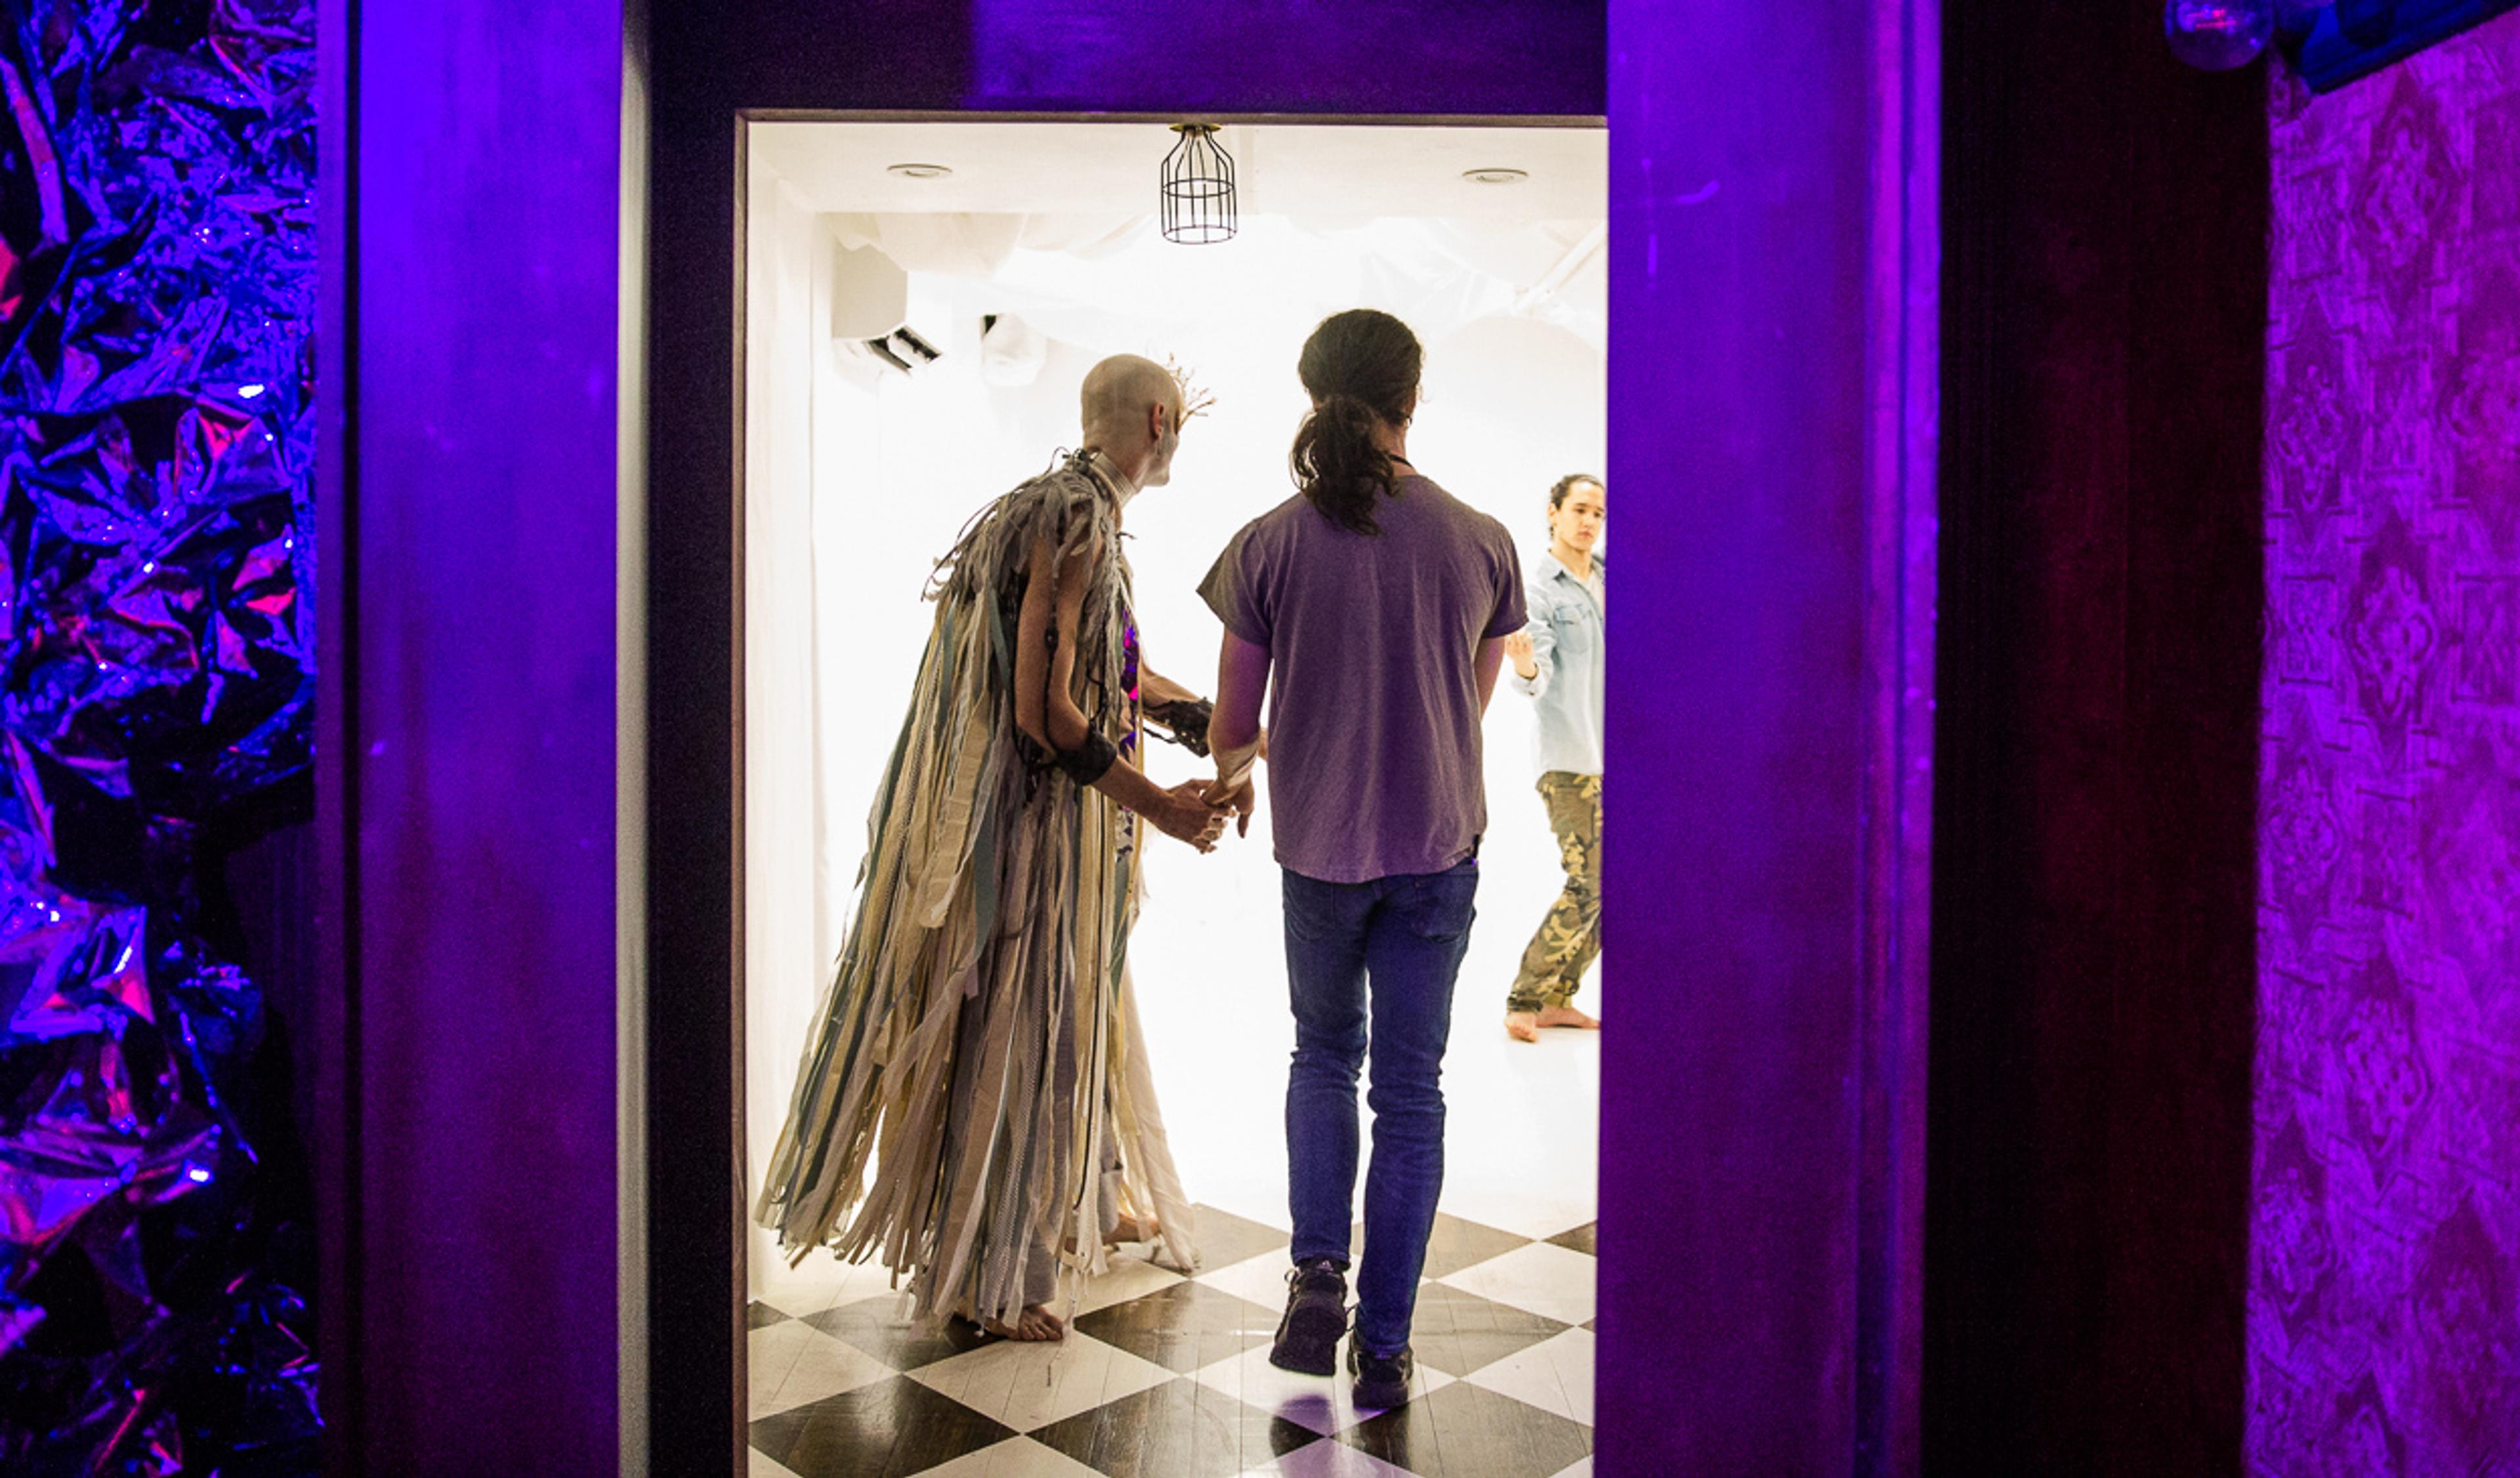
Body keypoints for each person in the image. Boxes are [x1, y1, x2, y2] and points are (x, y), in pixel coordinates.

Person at [755, 355, 1227, 1343]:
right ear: (1159, 419)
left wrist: (1214, 726)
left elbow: (1116, 670)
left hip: (1035, 837)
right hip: (1020, 838)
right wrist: (1165, 809)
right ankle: (990, 1273)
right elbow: (1045, 716)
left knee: (1075, 1008)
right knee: (1021, 1026)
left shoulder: (1055, 511)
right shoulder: (1076, 518)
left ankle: (1086, 1197)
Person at [1198, 309, 1525, 1410]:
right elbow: (1468, 707)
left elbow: (1232, 727)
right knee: (1413, 1092)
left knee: (1324, 1057)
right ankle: (1384, 1343)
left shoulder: (1267, 542)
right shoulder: (1482, 539)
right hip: (1437, 845)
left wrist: (1264, 754)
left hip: (1320, 850)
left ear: (1312, 392)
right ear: (1411, 398)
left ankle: (1317, 1275)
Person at [1500, 474, 1606, 1042]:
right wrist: (1525, 668)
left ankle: (1559, 998)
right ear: (1554, 513)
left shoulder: (1612, 578)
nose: (1589, 522)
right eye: (1580, 509)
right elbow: (1535, 677)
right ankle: (1525, 998)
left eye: (1598, 514)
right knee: (1589, 881)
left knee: (1616, 886)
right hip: (1570, 760)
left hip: (1619, 759)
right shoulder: (1539, 590)